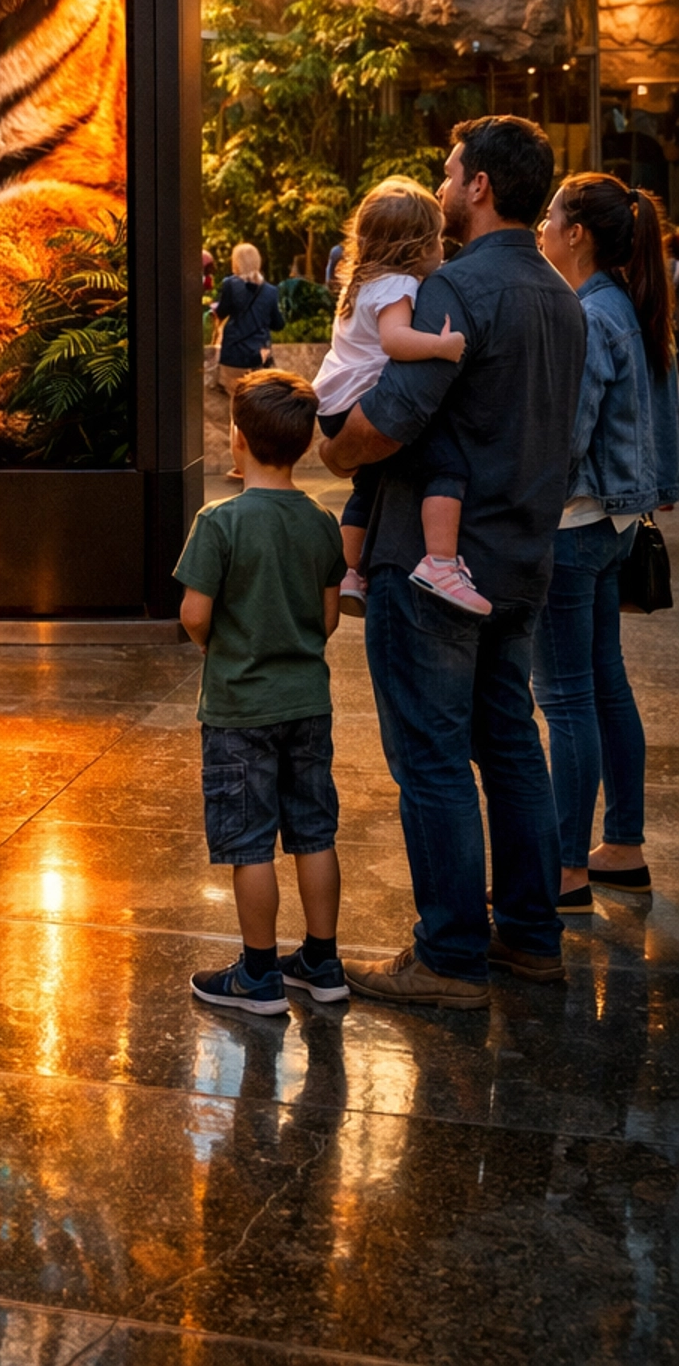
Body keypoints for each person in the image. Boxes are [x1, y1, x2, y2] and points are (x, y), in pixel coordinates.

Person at [320, 116, 586, 1010]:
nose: (441, 182)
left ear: (479, 187)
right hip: (523, 556)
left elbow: (386, 420)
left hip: (432, 565)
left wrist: (334, 452)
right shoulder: (561, 294)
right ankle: (530, 937)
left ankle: (450, 955)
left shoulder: (455, 291)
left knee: (431, 757)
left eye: (449, 169)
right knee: (509, 744)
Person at [176, 371, 347, 1015]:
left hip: (239, 708)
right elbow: (328, 618)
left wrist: (218, 649)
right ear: (303, 447)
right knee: (313, 832)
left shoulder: (219, 522)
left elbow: (195, 614)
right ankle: (322, 962)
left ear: (238, 440)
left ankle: (257, 975)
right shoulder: (320, 521)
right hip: (308, 702)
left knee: (251, 842)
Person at [533, 174, 678, 909]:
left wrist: (527, 503)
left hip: (574, 525)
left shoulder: (590, 314)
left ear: (578, 233)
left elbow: (570, 432)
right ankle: (620, 846)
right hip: (616, 522)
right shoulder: (631, 307)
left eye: (552, 217)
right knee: (604, 684)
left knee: (565, 699)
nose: (543, 227)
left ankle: (564, 867)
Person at [314, 178, 477, 618]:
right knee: (446, 463)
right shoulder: (398, 285)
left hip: (334, 405)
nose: (441, 249)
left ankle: (349, 571)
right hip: (360, 403)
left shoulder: (362, 281)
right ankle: (440, 562)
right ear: (414, 245)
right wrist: (442, 347)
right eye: (436, 240)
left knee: (367, 485)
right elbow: (395, 341)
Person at [213, 243, 284, 398]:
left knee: (235, 401)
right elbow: (278, 324)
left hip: (233, 354)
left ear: (236, 262)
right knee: (256, 402)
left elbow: (221, 312)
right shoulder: (271, 291)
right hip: (259, 355)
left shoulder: (230, 285)